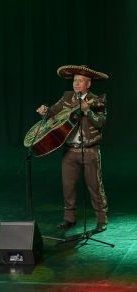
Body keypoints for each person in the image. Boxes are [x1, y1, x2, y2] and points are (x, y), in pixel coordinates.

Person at [36, 65, 109, 233]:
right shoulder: (67, 97)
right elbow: (54, 112)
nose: (76, 83)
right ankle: (69, 219)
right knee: (68, 186)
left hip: (89, 149)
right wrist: (45, 111)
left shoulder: (96, 99)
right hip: (69, 150)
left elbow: (100, 122)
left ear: (88, 84)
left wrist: (87, 111)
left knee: (95, 186)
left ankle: (101, 219)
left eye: (81, 81)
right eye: (75, 80)